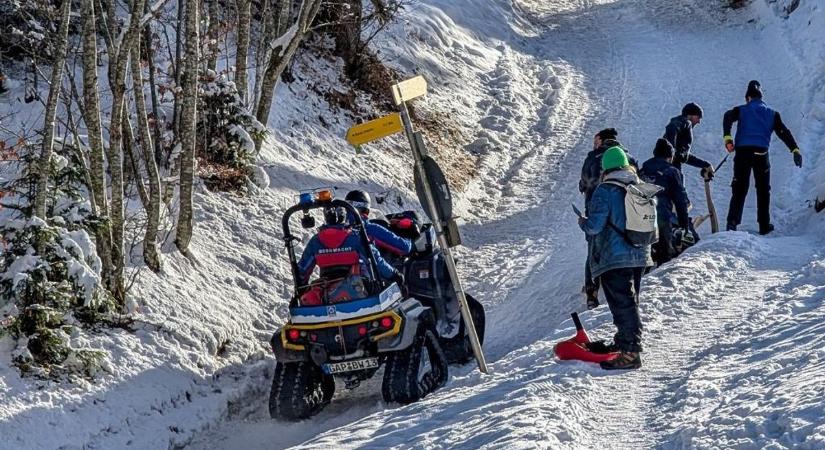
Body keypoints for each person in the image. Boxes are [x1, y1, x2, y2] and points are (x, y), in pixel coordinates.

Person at [578, 146, 652, 370]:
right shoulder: (639, 187)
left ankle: (630, 353)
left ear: (605, 168)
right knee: (630, 302)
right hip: (639, 254)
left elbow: (595, 226)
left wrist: (583, 221)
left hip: (614, 256)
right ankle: (624, 342)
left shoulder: (605, 190)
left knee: (622, 304)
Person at [723, 80, 803, 234]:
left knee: (739, 187)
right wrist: (795, 150)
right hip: (761, 153)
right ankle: (764, 226)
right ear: (761, 97)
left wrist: (728, 139)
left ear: (748, 97)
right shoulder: (772, 113)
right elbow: (783, 132)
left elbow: (727, 117)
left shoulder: (741, 110)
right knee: (763, 189)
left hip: (742, 153)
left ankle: (732, 224)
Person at [579, 128, 638, 309]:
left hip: (595, 208)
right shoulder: (629, 158)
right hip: (623, 210)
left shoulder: (593, 158)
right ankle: (632, 288)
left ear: (602, 141)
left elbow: (584, 184)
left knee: (594, 248)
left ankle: (592, 291)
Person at [297, 204, 403, 305]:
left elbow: (302, 271)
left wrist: (301, 290)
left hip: (327, 296)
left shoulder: (315, 241)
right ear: (344, 217)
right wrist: (395, 275)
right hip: (360, 293)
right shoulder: (356, 238)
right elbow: (377, 262)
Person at [639, 138, 692, 266]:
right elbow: (680, 201)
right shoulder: (672, 172)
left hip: (641, 216)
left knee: (643, 253)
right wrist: (684, 226)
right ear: (670, 156)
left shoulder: (643, 170)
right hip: (661, 216)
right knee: (665, 254)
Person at [345, 189, 412, 259]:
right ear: (366, 209)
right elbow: (405, 247)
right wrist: (408, 236)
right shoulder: (369, 228)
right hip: (369, 268)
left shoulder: (341, 228)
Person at [663, 102, 715, 181]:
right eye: (698, 117)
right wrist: (671, 152)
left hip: (668, 167)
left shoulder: (682, 129)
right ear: (690, 115)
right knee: (678, 191)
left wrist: (705, 165)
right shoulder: (685, 122)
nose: (698, 121)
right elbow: (672, 127)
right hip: (670, 169)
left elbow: (683, 156)